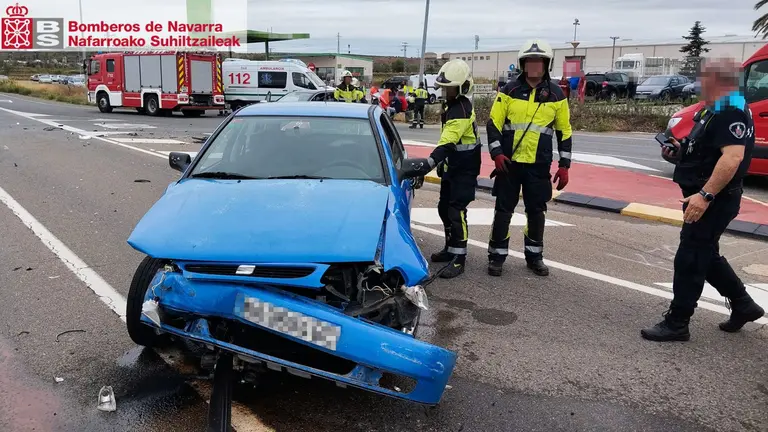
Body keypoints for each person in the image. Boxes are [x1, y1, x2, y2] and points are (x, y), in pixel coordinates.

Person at [641, 58, 765, 342]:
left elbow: (732, 157)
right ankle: (744, 305)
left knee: (690, 257)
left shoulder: (731, 109)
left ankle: (677, 322)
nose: (699, 84)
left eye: (704, 79)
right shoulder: (715, 108)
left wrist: (705, 195)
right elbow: (703, 148)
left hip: (713, 198)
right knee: (705, 254)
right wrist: (679, 149)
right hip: (702, 194)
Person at [485, 39, 573, 277]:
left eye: (539, 62)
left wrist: (565, 165)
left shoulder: (556, 95)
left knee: (536, 212)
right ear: (522, 64)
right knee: (503, 211)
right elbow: (493, 124)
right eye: (530, 62)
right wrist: (496, 154)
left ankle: (534, 256)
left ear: (547, 64)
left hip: (538, 165)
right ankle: (496, 256)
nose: (534, 66)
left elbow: (564, 131)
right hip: (509, 165)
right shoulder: (509, 91)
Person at [406, 59, 481, 279]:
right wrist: (442, 166)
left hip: (464, 170)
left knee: (456, 210)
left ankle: (460, 257)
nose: (446, 91)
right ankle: (450, 248)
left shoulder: (460, 109)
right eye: (445, 87)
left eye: (450, 88)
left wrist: (427, 165)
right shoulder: (452, 104)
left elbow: (447, 143)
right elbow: (451, 144)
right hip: (454, 167)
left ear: (463, 87)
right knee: (443, 208)